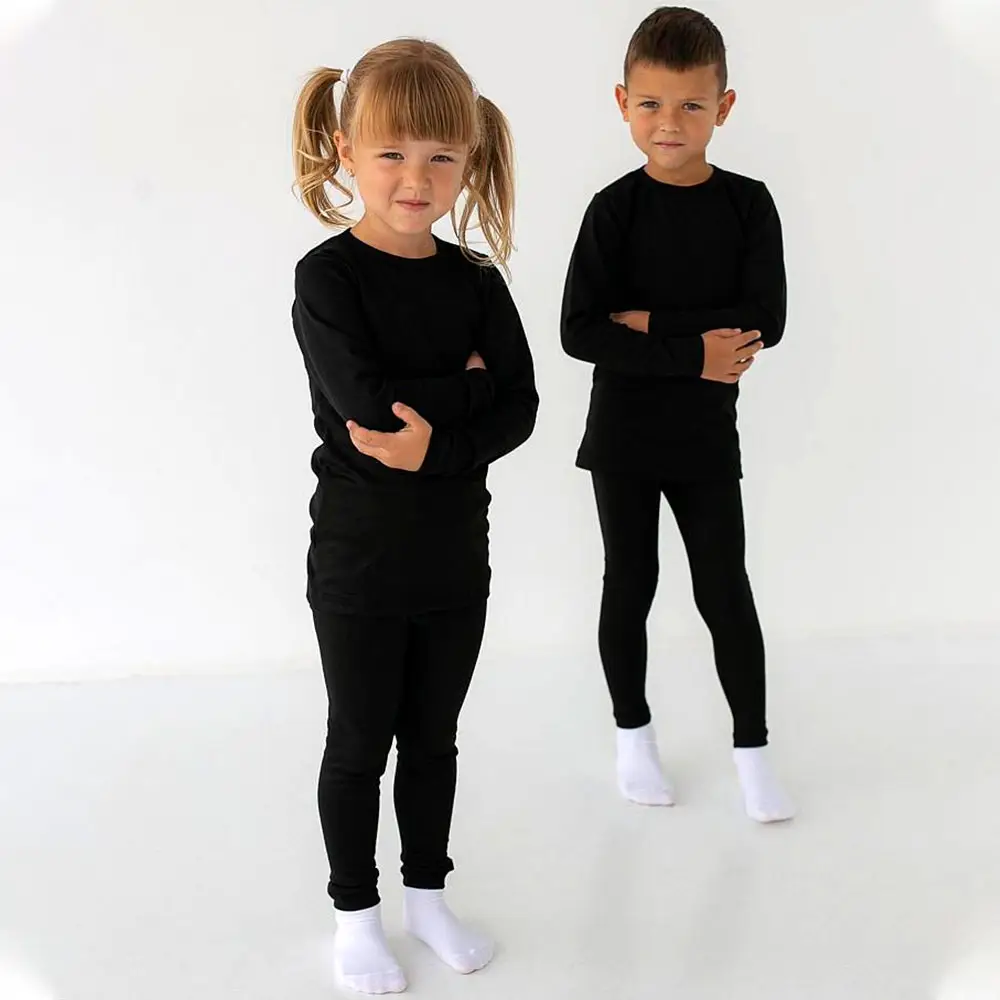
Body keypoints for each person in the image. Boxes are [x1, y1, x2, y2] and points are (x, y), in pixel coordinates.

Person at [291, 38, 537, 995]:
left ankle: (428, 900)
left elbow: (521, 409)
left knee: (434, 741)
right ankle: (357, 916)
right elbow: (369, 417)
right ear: (347, 151)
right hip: (358, 563)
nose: (416, 178)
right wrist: (464, 393)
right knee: (360, 742)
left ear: (469, 158)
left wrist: (442, 431)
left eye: (441, 156)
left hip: (454, 558)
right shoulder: (329, 279)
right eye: (392, 153)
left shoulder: (477, 281)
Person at [561, 7, 795, 824]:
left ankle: (753, 750)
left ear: (722, 108)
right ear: (623, 103)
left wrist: (650, 323)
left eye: (691, 105)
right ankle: (634, 737)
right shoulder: (613, 210)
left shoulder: (747, 205)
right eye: (652, 104)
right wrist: (693, 352)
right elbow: (580, 330)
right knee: (631, 584)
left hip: (703, 437)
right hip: (623, 437)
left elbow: (765, 317)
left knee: (724, 588)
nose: (670, 123)